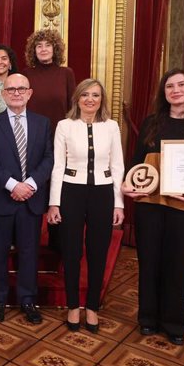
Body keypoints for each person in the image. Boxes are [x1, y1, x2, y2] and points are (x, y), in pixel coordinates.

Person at [122, 68, 184, 345]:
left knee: (178, 265)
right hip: (149, 205)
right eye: (169, 87)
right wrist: (126, 184)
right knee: (149, 262)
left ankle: (175, 324)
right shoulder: (151, 123)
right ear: (163, 93)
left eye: (181, 85)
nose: (175, 90)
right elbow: (137, 160)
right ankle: (147, 319)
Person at [47, 79, 125, 333]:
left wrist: (118, 203)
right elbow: (58, 166)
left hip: (103, 193)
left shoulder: (112, 127)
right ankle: (72, 305)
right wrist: (54, 203)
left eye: (96, 95)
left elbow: (117, 166)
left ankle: (92, 307)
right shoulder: (64, 126)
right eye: (85, 95)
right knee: (71, 251)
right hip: (71, 191)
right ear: (77, 99)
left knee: (98, 251)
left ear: (101, 100)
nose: (90, 99)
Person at [0, 74, 53, 324]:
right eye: (11, 89)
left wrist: (30, 185)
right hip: (0, 199)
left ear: (30, 93)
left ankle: (28, 299)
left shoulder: (43, 124)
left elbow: (49, 159)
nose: (17, 93)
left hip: (31, 200)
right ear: (3, 94)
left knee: (29, 253)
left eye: (22, 88)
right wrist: (13, 185)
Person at [22, 29, 76, 132]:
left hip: (60, 131)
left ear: (55, 49)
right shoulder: (26, 74)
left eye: (48, 45)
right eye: (39, 46)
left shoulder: (67, 73)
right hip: (33, 131)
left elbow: (73, 106)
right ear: (34, 50)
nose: (43, 49)